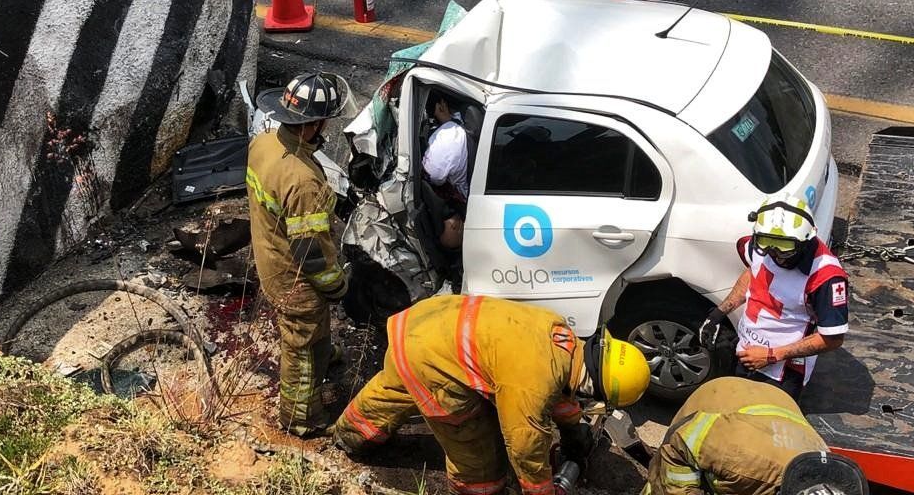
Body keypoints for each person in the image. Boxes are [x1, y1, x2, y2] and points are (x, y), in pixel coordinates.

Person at [333, 294, 652, 495]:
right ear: (595, 385)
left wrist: (573, 432)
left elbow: (564, 394)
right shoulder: (532, 385)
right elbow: (525, 447)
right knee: (479, 455)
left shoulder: (563, 338)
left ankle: (349, 433)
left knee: (399, 381)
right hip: (434, 363)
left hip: (427, 325)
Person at [248, 72, 352, 436]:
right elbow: (311, 254)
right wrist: (337, 286)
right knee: (300, 347)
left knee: (308, 335)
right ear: (312, 124)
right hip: (294, 279)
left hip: (268, 258)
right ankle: (300, 417)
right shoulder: (303, 180)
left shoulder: (262, 143)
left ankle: (325, 355)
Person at [699, 195, 849, 402]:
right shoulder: (760, 247)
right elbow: (753, 272)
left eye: (784, 248)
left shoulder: (826, 277)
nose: (775, 254)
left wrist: (771, 355)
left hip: (782, 372)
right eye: (766, 245)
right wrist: (719, 313)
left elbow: (832, 338)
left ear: (805, 241)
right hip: (746, 353)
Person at [642, 377, 869, 495]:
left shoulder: (828, 473)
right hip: (720, 401)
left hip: (775, 404)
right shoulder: (742, 461)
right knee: (663, 482)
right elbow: (682, 443)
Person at [421, 92, 468, 250]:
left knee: (447, 238)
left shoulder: (448, 137)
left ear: (441, 106)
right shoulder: (459, 126)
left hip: (464, 200)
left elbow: (434, 177)